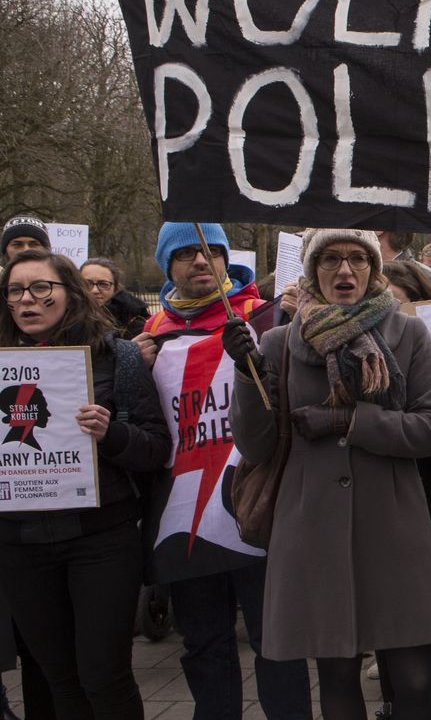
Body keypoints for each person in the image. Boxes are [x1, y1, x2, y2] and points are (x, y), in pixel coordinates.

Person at [227, 229, 431, 720]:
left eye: (356, 259)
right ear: (312, 271)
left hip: (393, 524)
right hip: (313, 526)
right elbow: (256, 443)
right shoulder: (278, 341)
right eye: (330, 259)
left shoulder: (407, 333)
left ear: (373, 269)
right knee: (336, 676)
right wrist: (246, 374)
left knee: (415, 680)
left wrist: (349, 421)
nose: (344, 271)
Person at [131, 223, 313, 720]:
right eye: (187, 253)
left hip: (257, 505)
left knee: (275, 639)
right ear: (166, 266)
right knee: (203, 644)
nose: (200, 262)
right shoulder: (148, 339)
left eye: (212, 252)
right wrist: (134, 368)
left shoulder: (265, 318)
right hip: (184, 516)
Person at [0, 250, 170, 720]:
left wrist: (109, 432)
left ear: (69, 294)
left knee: (104, 676)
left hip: (101, 540)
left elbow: (155, 449)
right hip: (19, 544)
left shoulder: (119, 356)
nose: (27, 300)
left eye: (40, 288)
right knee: (60, 680)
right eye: (16, 291)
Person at [376, 261, 431, 720]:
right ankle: (393, 702)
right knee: (384, 602)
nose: (389, 313)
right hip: (380, 495)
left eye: (397, 302)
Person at [80, 257, 150, 339]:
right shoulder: (66, 317)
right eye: (87, 283)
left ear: (115, 288)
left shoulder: (132, 321)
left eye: (104, 284)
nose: (95, 290)